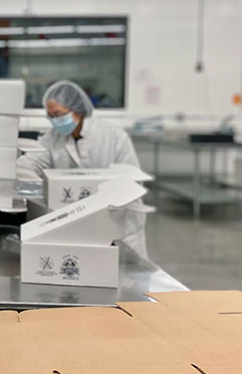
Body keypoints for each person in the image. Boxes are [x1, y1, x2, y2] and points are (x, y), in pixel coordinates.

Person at [18, 79, 148, 258]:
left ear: (76, 111)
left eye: (58, 115)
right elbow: (34, 160)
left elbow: (133, 182)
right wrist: (14, 170)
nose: (55, 121)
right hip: (78, 222)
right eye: (51, 117)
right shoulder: (52, 139)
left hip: (119, 224)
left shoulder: (113, 137)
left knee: (123, 277)